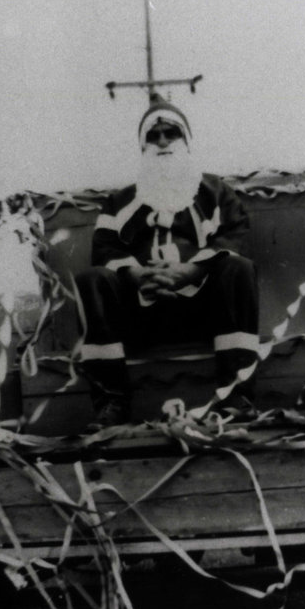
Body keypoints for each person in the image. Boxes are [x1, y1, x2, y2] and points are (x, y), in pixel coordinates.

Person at [75, 96, 259, 426]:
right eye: (153, 135)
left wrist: (190, 271)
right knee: (93, 279)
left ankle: (236, 395)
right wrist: (138, 275)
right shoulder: (118, 202)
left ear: (186, 141)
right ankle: (112, 403)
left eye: (171, 133)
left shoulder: (215, 192)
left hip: (202, 310)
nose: (162, 141)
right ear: (142, 145)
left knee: (239, 269)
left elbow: (233, 233)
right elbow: (105, 248)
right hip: (141, 314)